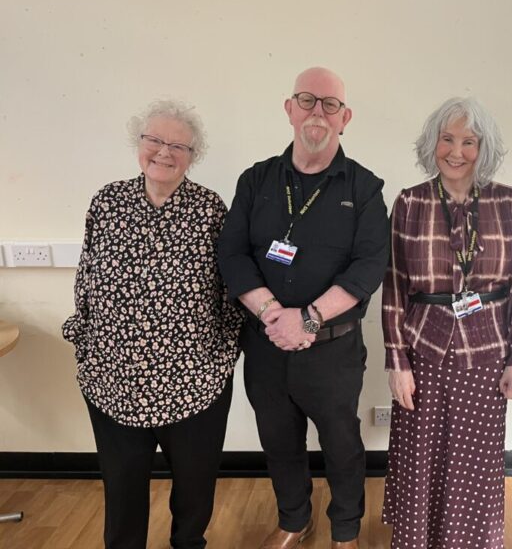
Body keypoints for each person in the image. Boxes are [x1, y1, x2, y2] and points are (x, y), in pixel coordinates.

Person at [217, 67, 389, 549]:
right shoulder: (256, 181)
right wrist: (275, 314)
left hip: (332, 351)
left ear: (345, 118)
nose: (318, 112)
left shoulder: (365, 188)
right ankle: (294, 521)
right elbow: (231, 254)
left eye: (330, 104)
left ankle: (346, 530)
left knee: (341, 445)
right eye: (307, 100)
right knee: (279, 442)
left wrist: (308, 318)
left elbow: (368, 268)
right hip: (267, 346)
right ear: (289, 109)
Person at [62, 100, 243, 549]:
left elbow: (229, 290)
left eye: (178, 145)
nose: (165, 152)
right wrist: (85, 341)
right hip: (114, 379)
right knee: (122, 490)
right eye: (155, 140)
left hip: (192, 379)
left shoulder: (210, 210)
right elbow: (86, 277)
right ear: (138, 144)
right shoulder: (107, 201)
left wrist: (221, 354)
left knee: (195, 487)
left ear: (192, 155)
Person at [381, 97, 512, 549]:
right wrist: (396, 361)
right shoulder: (410, 202)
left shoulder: (509, 202)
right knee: (421, 457)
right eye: (447, 139)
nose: (456, 151)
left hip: (488, 353)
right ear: (432, 143)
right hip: (423, 352)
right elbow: (394, 288)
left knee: (474, 463)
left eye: (468, 142)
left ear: (482, 148)